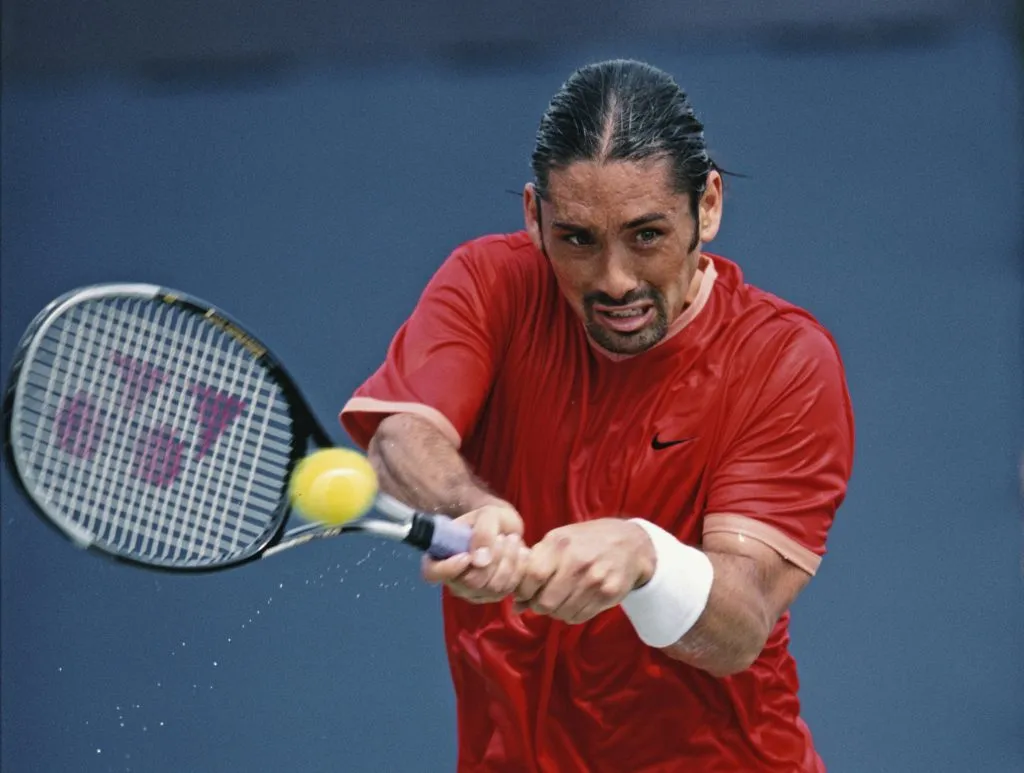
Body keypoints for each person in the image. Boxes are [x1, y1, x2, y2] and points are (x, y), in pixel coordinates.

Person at [340, 59, 855, 772]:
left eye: (646, 235)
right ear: (533, 216)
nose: (614, 279)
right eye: (577, 238)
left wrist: (645, 555)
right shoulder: (489, 283)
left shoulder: (784, 360)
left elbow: (739, 625)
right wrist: (469, 510)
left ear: (707, 205)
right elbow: (402, 437)